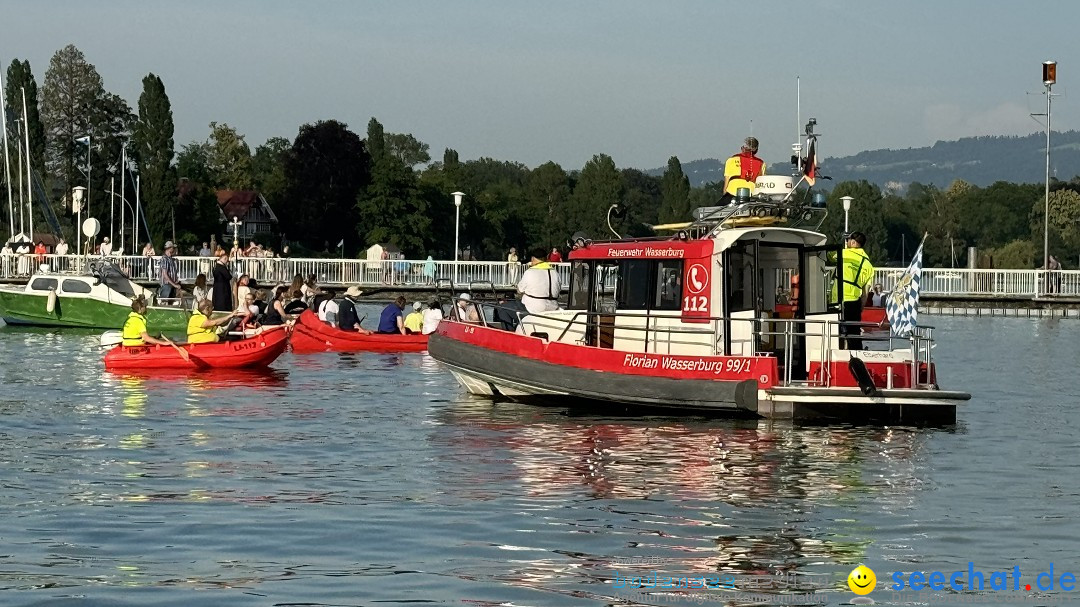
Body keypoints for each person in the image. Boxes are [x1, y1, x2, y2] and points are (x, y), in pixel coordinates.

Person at [835, 231, 875, 350]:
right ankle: (857, 356)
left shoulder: (841, 254)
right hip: (853, 301)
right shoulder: (867, 263)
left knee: (834, 331)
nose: (846, 242)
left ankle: (837, 353)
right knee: (854, 332)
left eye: (847, 240)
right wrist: (860, 307)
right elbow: (865, 292)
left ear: (853, 242)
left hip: (836, 299)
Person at [517, 247, 562, 314]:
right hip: (553, 307)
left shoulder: (530, 272)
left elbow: (519, 290)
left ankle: (519, 324)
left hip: (533, 309)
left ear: (532, 258)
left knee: (504, 308)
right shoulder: (555, 272)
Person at [722, 136, 767, 202]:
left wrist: (724, 193)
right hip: (751, 194)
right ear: (756, 150)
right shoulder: (761, 163)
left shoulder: (731, 160)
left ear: (743, 148)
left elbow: (726, 181)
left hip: (732, 193)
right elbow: (762, 183)